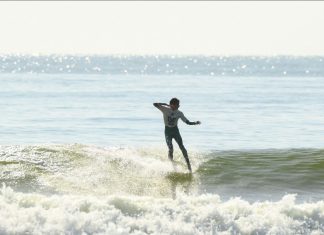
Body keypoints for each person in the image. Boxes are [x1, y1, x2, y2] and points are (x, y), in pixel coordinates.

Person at [153, 98, 201, 173]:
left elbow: (187, 122)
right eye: (177, 105)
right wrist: (165, 104)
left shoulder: (179, 113)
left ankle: (189, 167)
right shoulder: (164, 109)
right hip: (167, 132)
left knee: (182, 147)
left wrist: (195, 123)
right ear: (172, 104)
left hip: (175, 131)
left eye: (178, 105)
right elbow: (154, 104)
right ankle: (171, 165)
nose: (178, 106)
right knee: (171, 149)